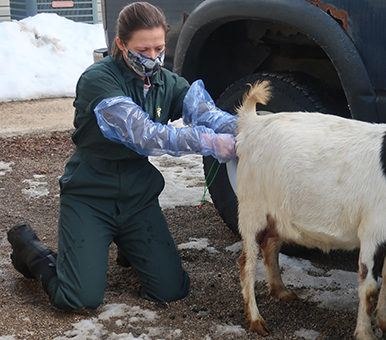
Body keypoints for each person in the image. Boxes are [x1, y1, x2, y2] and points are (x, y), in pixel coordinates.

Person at [7, 2, 237, 311]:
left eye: (159, 48)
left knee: (171, 290)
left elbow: (207, 113)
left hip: (137, 195)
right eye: (143, 49)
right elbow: (142, 134)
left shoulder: (165, 82)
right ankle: (31, 251)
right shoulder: (98, 80)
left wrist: (248, 128)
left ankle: (127, 244)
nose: (153, 58)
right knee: (79, 298)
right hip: (91, 194)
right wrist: (207, 141)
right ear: (121, 44)